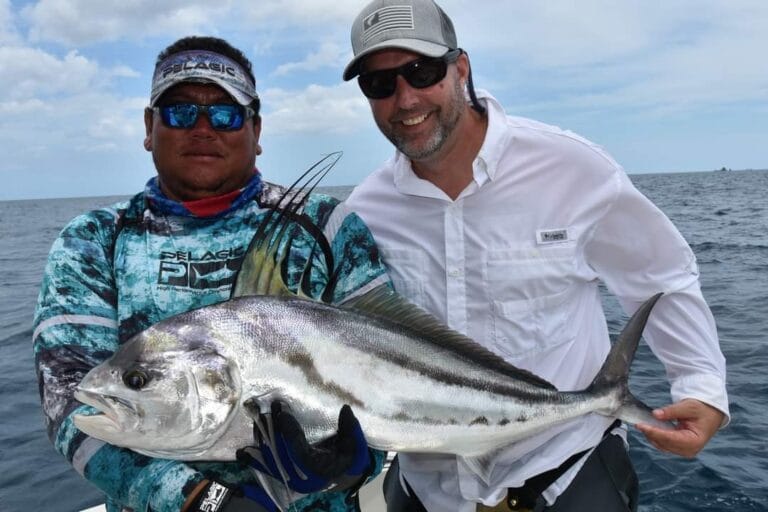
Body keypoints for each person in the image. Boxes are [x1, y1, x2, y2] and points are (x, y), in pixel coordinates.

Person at [342, 1, 730, 511]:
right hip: (428, 489)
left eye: (423, 71)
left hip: (563, 469)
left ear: (461, 69)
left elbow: (662, 274)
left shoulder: (575, 169)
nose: (405, 98)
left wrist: (701, 387)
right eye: (380, 84)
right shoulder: (364, 212)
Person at [33, 36, 388, 512]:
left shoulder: (327, 227)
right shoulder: (93, 241)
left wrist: (357, 463)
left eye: (226, 113)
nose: (203, 129)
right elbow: (68, 400)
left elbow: (395, 369)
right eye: (180, 111)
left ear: (256, 130)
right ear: (148, 126)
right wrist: (199, 501)